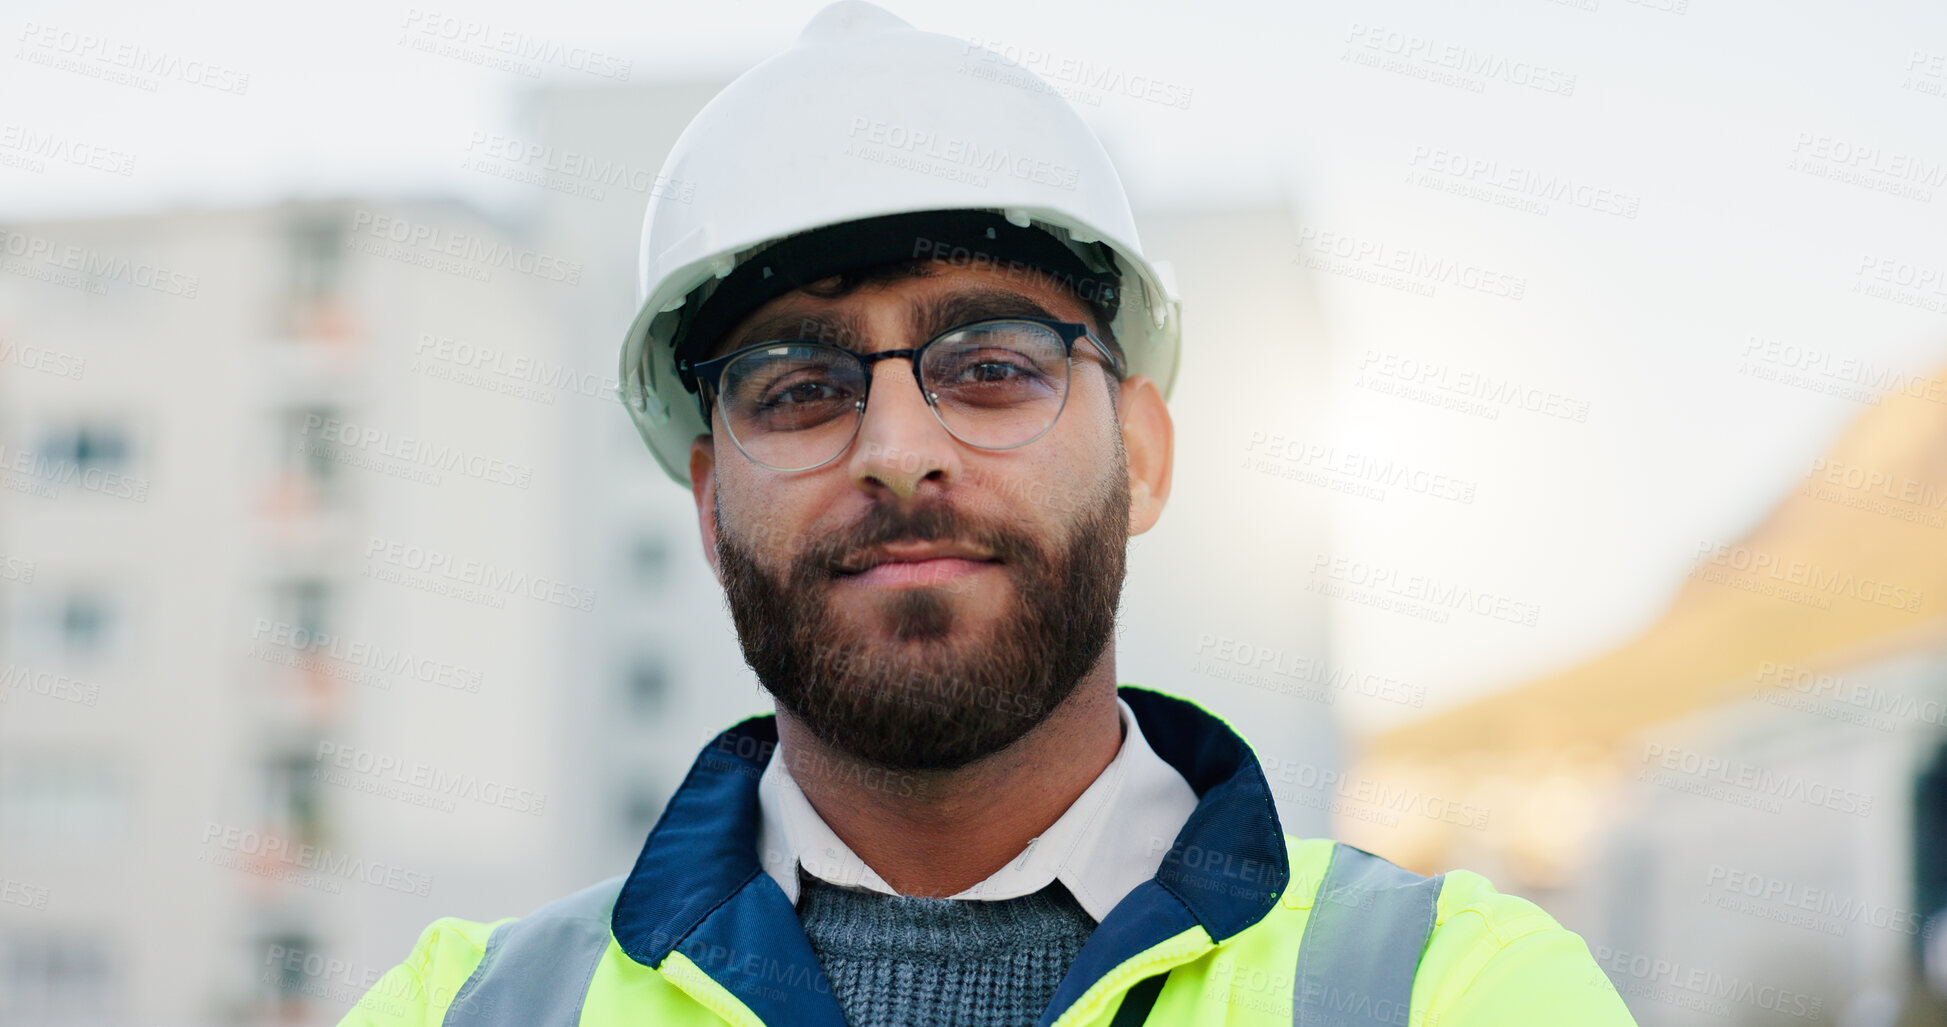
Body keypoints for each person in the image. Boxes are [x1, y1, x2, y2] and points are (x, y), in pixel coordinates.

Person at [341, 3, 1639, 1024]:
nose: (900, 451)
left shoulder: (1451, 996)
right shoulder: (466, 1011)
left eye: (993, 367)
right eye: (798, 388)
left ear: (1141, 449)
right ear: (706, 498)